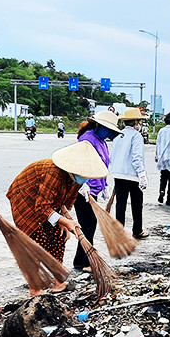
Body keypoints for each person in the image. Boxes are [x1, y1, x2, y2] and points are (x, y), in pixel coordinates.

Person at [7, 141, 108, 296]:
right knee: (35, 241)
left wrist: (63, 221)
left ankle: (58, 282)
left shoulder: (76, 179)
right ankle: (34, 289)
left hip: (47, 204)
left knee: (58, 237)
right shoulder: (53, 173)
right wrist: (65, 221)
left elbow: (68, 201)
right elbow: (41, 207)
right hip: (26, 200)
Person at [72, 111, 122, 271]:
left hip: (94, 190)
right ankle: (84, 262)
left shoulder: (101, 141)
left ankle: (81, 259)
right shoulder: (87, 139)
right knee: (88, 224)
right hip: (82, 190)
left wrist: (104, 185)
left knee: (89, 224)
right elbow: (78, 162)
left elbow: (102, 165)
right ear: (100, 126)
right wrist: (82, 184)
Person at [110, 107, 150, 239]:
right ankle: (137, 230)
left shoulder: (118, 135)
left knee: (120, 204)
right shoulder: (136, 136)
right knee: (137, 204)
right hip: (132, 175)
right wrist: (142, 174)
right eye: (139, 121)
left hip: (118, 173)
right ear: (136, 122)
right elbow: (136, 157)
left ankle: (119, 232)